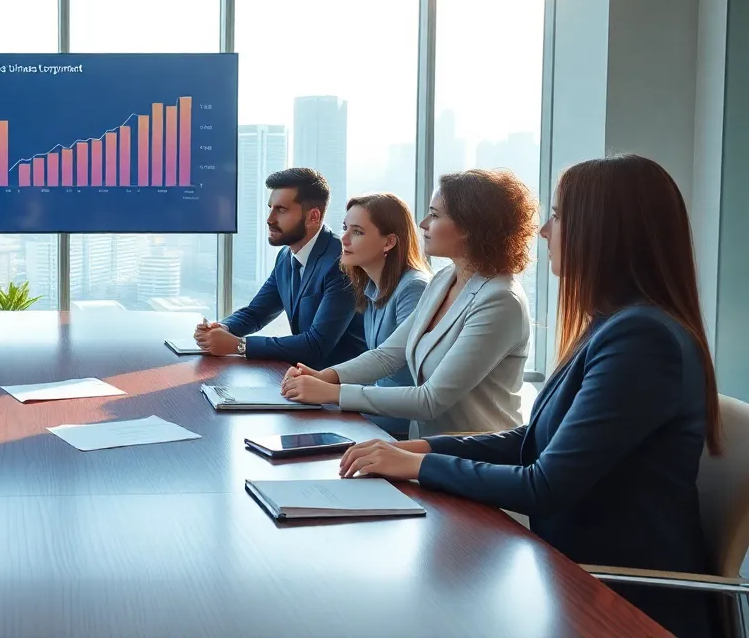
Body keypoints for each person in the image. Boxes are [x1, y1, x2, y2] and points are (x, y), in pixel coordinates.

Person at [336, 155, 719, 638]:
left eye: (558, 215)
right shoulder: (616, 324)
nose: (543, 230)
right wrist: (423, 449)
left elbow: (545, 484)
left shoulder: (643, 340)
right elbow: (533, 439)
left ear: (604, 230)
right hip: (563, 571)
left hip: (615, 599)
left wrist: (416, 466)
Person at [281, 169, 534, 437]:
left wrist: (334, 393)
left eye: (435, 215)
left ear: (470, 227)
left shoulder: (500, 301)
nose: (423, 223)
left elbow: (430, 400)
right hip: (423, 452)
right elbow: (387, 355)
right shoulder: (444, 279)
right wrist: (325, 376)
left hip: (473, 460)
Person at [196, 168, 365, 366]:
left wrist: (240, 345)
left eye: (281, 210)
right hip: (303, 378)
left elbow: (316, 345)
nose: (270, 219)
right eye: (270, 208)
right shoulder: (286, 257)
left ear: (313, 217)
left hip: (339, 387)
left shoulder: (342, 263)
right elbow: (256, 313)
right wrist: (222, 328)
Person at [336, 193, 431, 437]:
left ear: (389, 242)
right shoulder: (371, 288)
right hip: (378, 414)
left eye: (357, 232)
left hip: (402, 422)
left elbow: (395, 363)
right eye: (345, 228)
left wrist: (326, 385)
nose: (344, 239)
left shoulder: (414, 287)